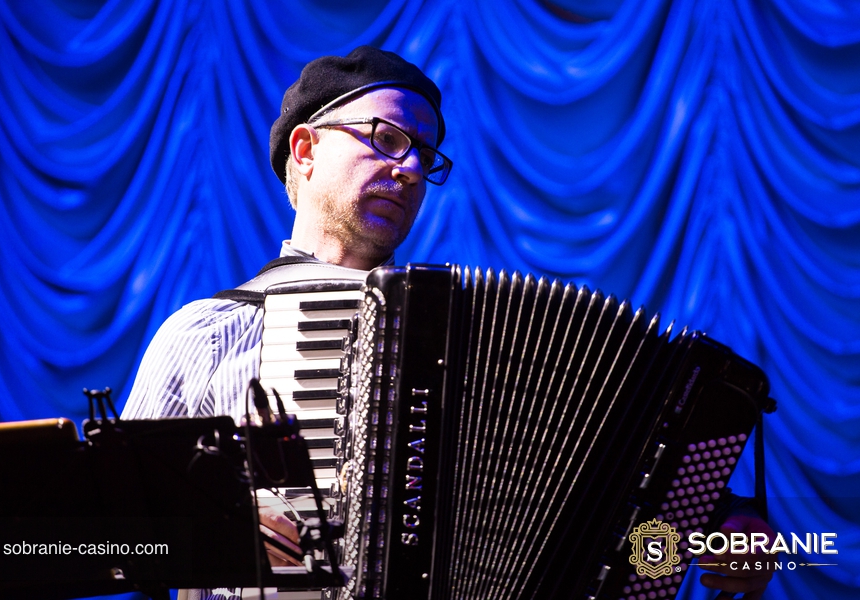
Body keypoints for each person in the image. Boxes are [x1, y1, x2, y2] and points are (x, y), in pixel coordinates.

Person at [122, 46, 773, 599]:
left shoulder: (475, 342)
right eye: (385, 139)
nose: (409, 168)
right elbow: (119, 541)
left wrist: (723, 537)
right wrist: (255, 533)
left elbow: (633, 517)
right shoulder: (208, 335)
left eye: (423, 155)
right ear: (306, 149)